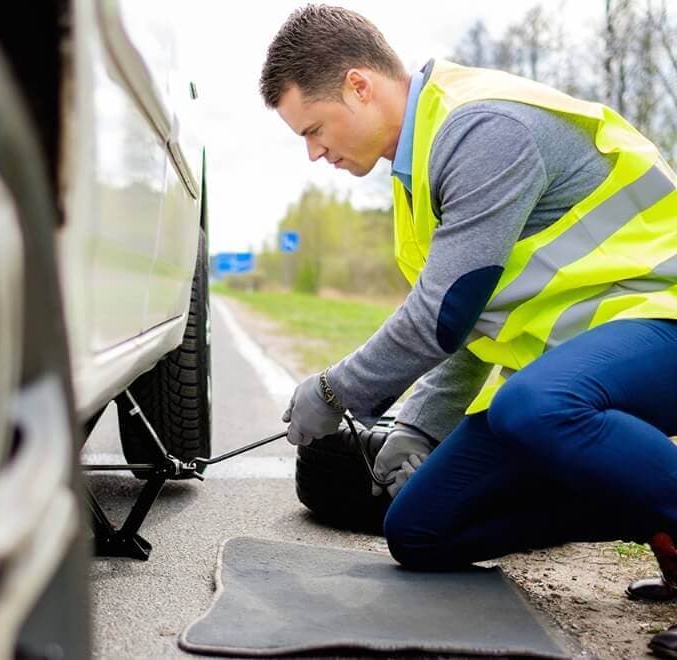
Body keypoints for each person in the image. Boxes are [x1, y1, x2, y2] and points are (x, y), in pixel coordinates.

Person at [262, 4, 677, 656]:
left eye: (312, 129)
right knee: (420, 531)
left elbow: (443, 312)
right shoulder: (415, 175)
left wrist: (338, 391)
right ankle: (658, 512)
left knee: (533, 407)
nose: (314, 152)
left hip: (662, 324)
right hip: (582, 372)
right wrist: (417, 429)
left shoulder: (480, 128)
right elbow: (474, 324)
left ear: (358, 86)